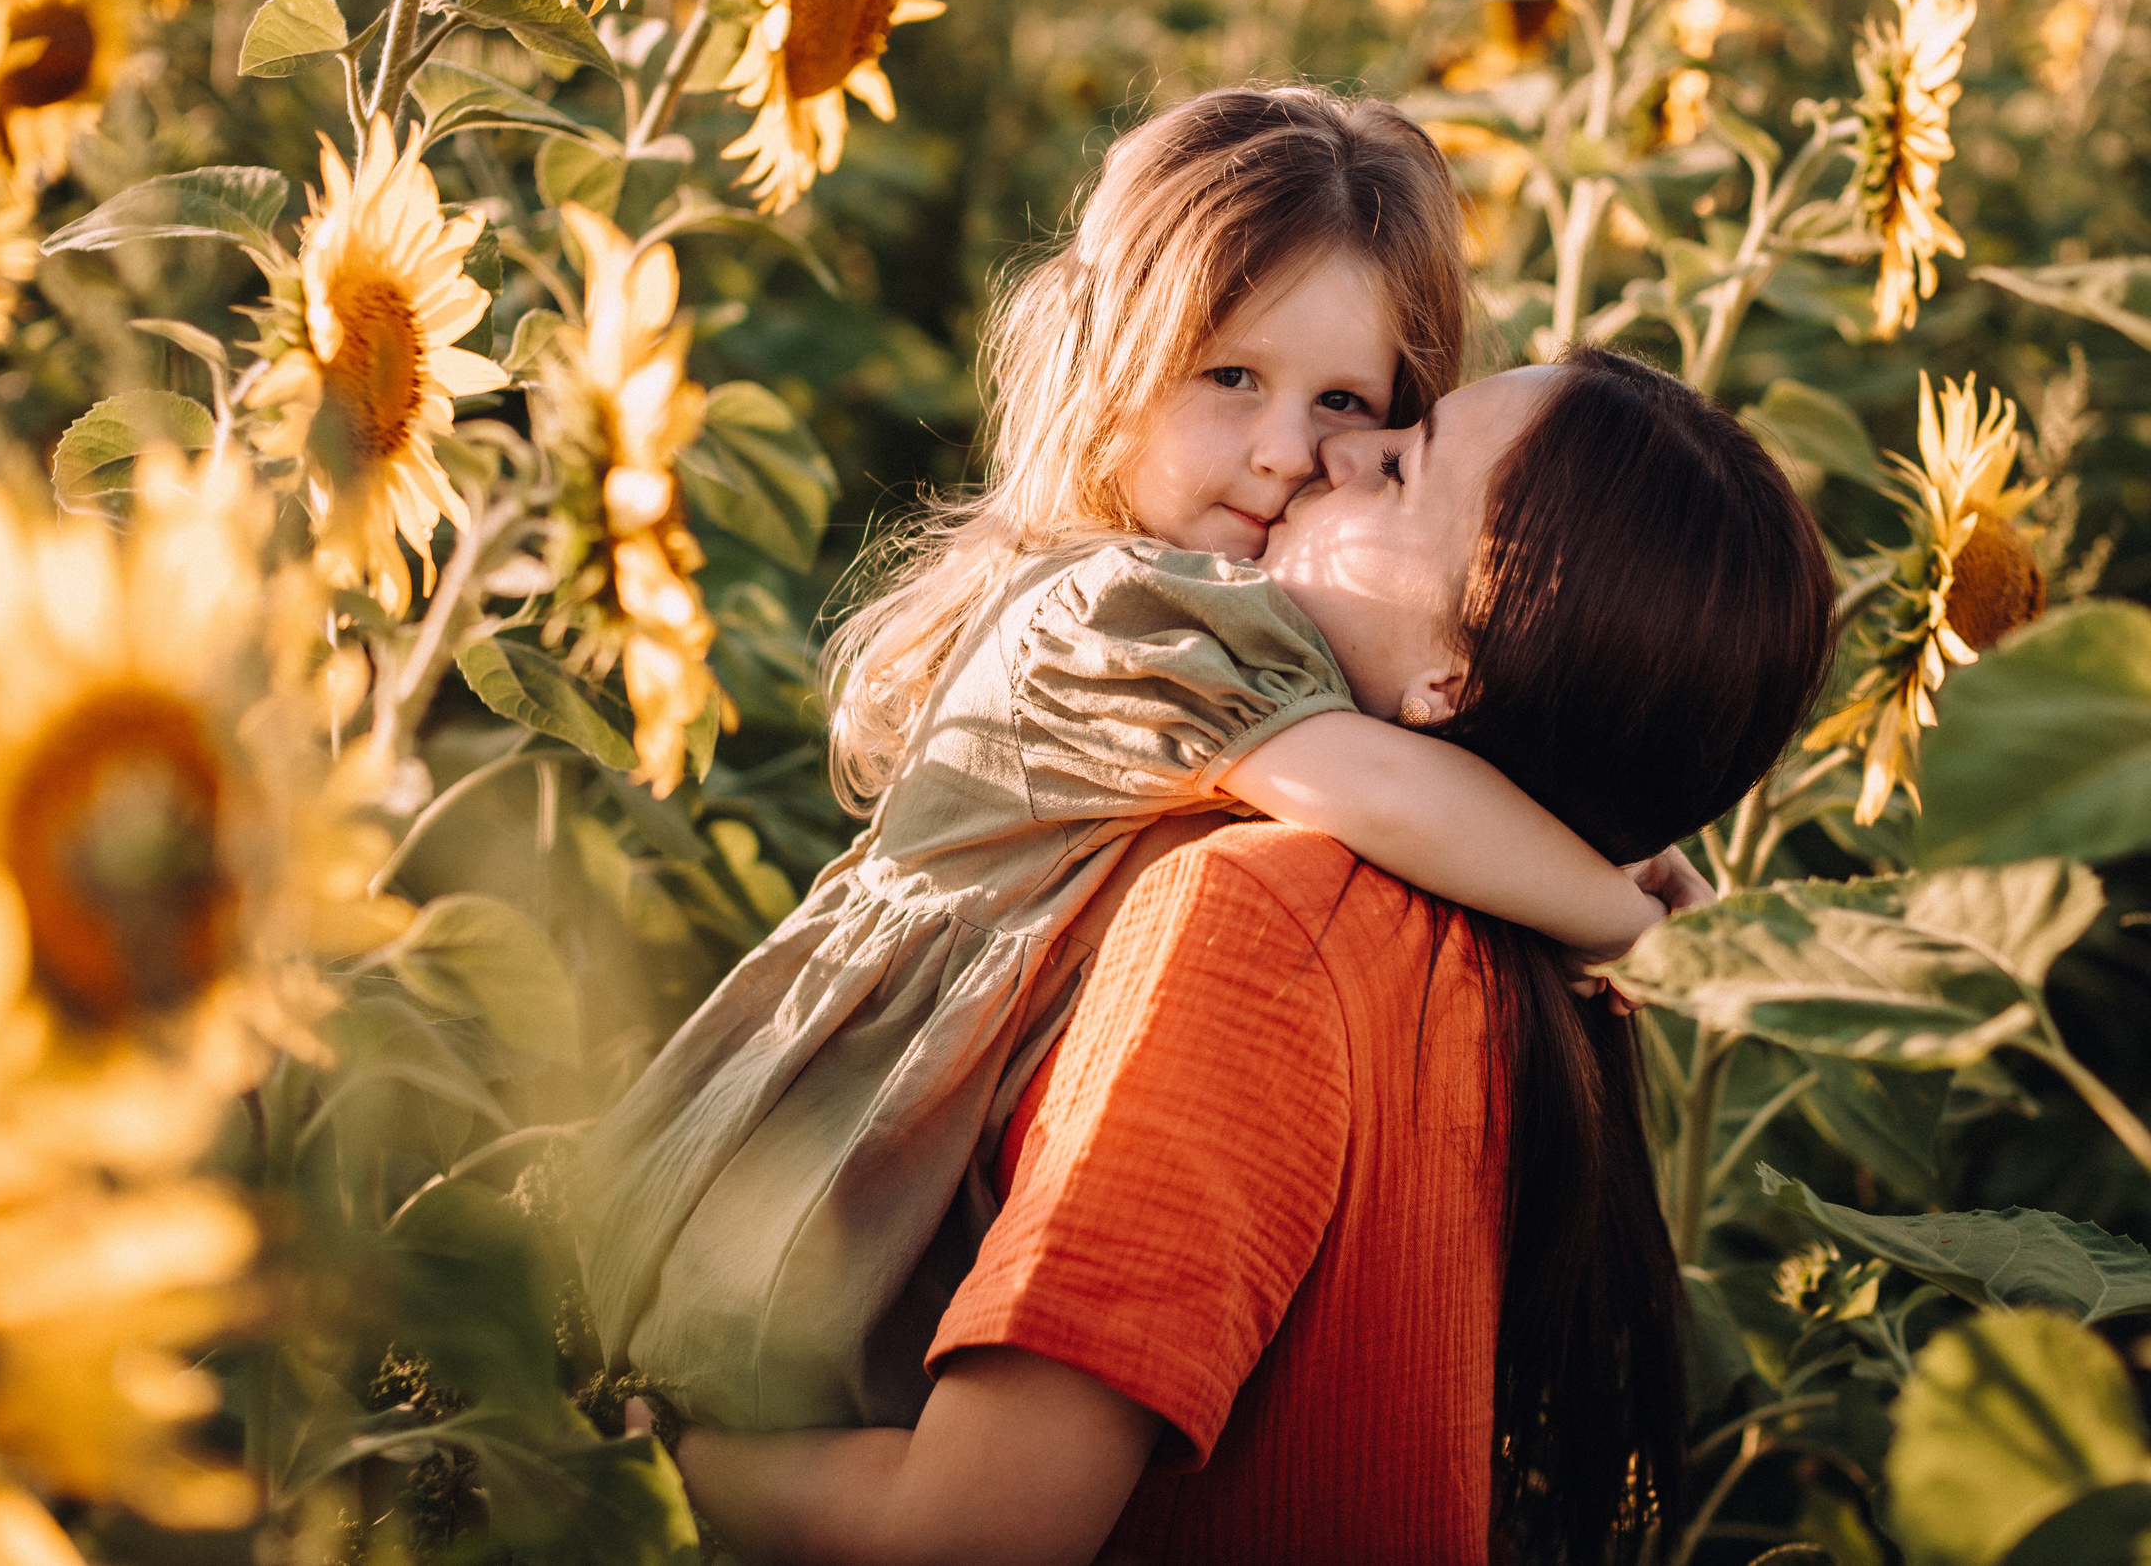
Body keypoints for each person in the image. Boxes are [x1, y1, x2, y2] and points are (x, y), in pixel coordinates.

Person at [576, 89, 1699, 1439]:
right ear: (1109, 364)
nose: (1286, 451)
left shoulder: (1254, 626)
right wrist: (1615, 910)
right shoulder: (1120, 609)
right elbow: (1380, 787)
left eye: (1344, 400)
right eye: (1230, 378)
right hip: (834, 1172)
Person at [655, 349, 1840, 1565]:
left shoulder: (1270, 922)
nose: (1333, 452)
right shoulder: (1500, 965)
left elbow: (969, 1535)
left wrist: (648, 1449)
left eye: (1396, 466)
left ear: (1451, 681)